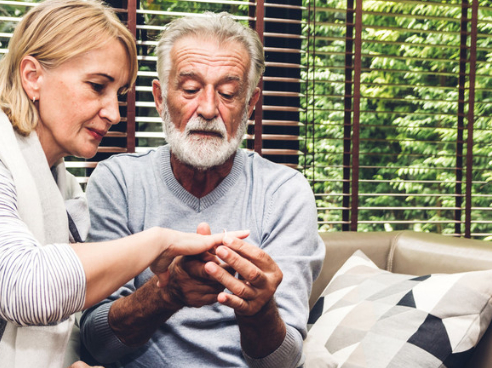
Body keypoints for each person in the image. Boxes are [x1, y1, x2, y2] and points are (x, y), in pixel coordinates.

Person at [0, 2, 246, 367]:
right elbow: (29, 288)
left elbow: (68, 316)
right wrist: (158, 241)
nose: (113, 112)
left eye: (120, 94)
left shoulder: (64, 191)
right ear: (33, 76)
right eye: (97, 86)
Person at [79, 12, 325, 368]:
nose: (208, 109)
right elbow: (97, 345)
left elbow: (283, 363)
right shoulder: (118, 181)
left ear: (251, 105)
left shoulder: (285, 193)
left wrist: (257, 310)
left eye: (228, 93)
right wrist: (167, 293)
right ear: (161, 99)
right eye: (191, 89)